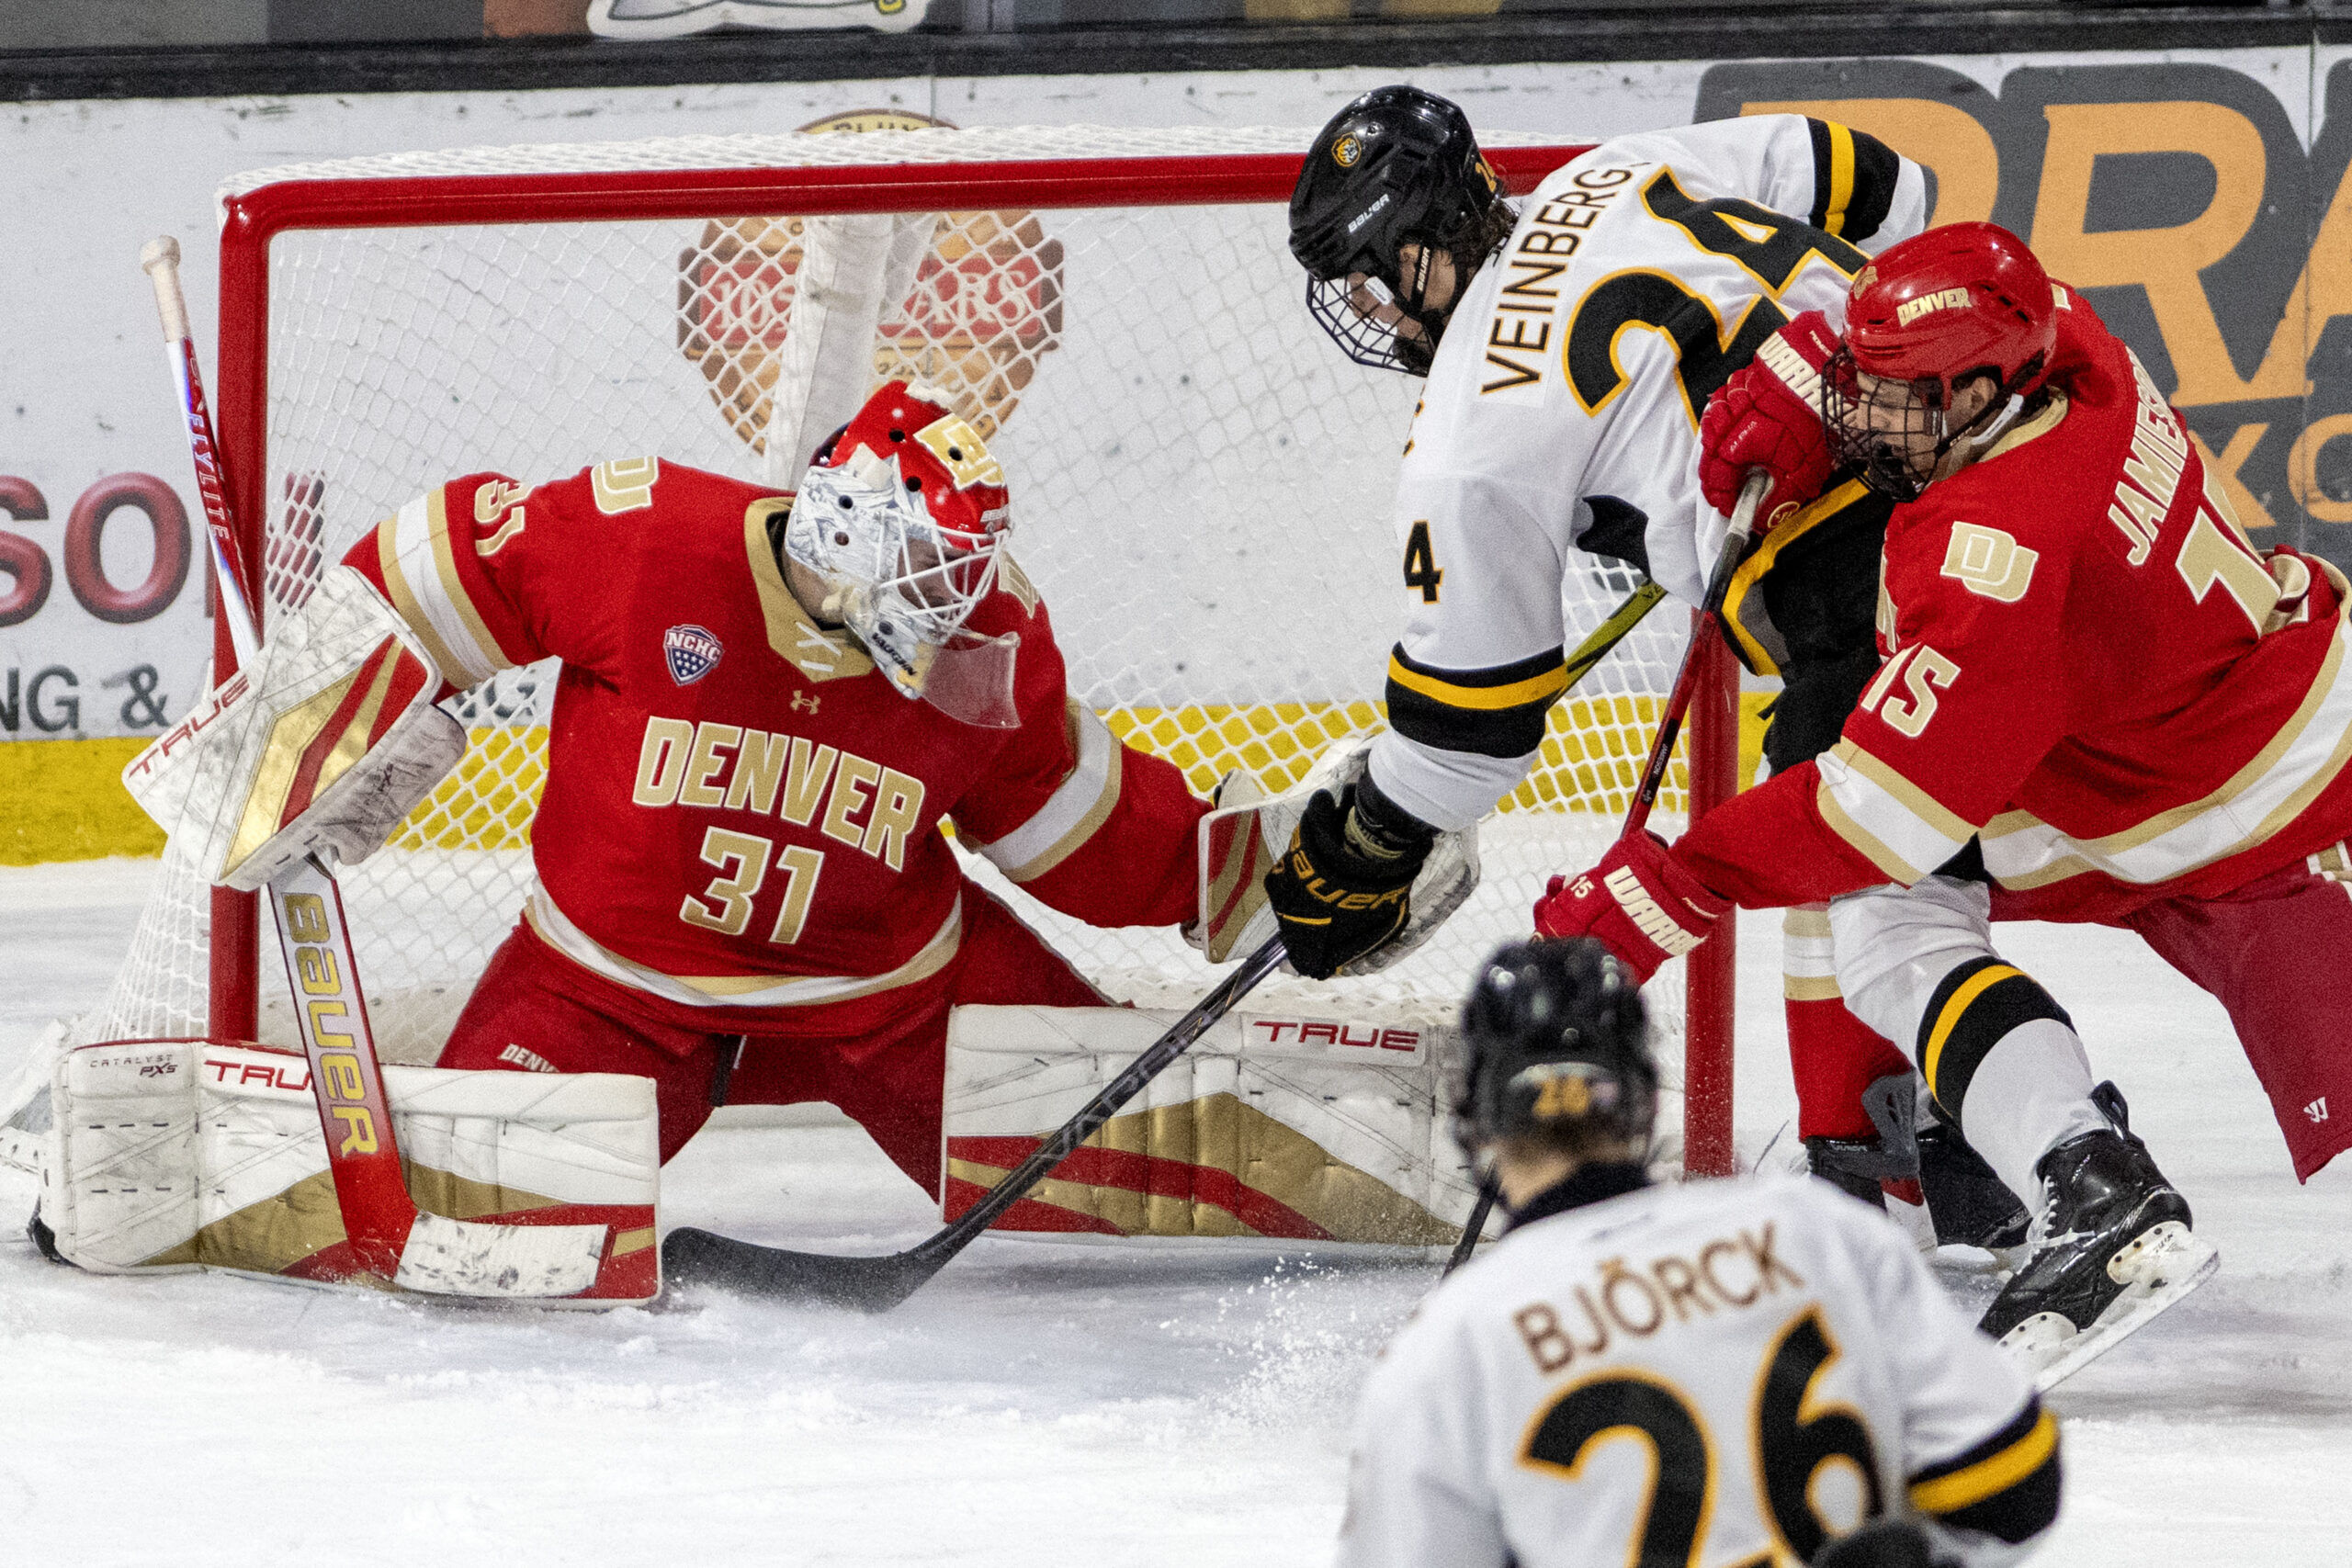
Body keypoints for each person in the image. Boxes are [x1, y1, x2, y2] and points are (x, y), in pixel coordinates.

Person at [1534, 220, 2352, 1368]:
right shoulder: (2070, 344)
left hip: (2213, 791)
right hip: (2252, 685)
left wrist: (1673, 883)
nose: (1862, 412)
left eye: (1891, 395)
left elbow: (1869, 817)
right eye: (1857, 387)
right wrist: (1818, 387)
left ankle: (2097, 1195)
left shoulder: (1998, 550)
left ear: (1975, 393)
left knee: (1886, 916)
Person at [1275, 85, 2027, 1247]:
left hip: (1842, 586)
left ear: (1427, 248)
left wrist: (1371, 840)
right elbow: (1886, 184)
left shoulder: (1471, 435)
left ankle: (1976, 1160)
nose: (1371, 309)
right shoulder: (1609, 166)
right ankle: (1919, 1148)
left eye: (1376, 273)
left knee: (1874, 873)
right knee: (1899, 845)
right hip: (1981, 481)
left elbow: (1464, 737)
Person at [320, 380, 1222, 1192]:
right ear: (836, 528)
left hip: (898, 998)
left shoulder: (983, 641)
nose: (949, 596)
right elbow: (443, 577)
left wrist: (1237, 873)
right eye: (920, 563)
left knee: (1146, 1191)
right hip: (607, 989)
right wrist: (313, 723)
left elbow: (1056, 808)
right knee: (464, 1221)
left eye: (958, 564)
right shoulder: (648, 542)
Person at [1335, 939, 2061, 1568]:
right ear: (1646, 1100)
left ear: (1474, 1121)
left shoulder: (1449, 1343)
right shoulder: (1818, 1230)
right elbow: (2014, 1483)